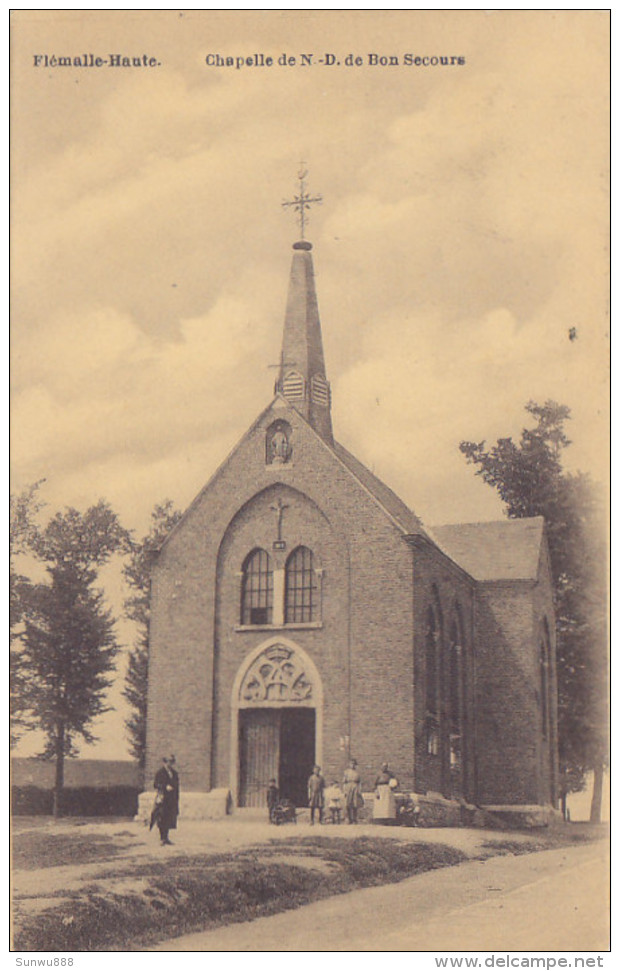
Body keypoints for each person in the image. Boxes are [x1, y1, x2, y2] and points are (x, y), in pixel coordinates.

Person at [153, 754, 180, 845]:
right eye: (169, 761)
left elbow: (177, 786)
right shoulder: (160, 772)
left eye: (172, 761)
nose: (170, 763)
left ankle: (166, 837)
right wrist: (165, 787)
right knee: (162, 817)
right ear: (164, 762)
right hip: (163, 799)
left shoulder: (174, 773)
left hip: (171, 799)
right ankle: (162, 838)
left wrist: (177, 797)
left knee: (169, 818)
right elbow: (156, 785)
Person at [342, 758, 363, 824]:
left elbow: (359, 782)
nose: (352, 765)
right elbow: (344, 782)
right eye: (351, 764)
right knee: (348, 804)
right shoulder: (346, 772)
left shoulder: (357, 773)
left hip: (355, 787)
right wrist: (344, 791)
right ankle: (348, 818)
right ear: (349, 764)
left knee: (355, 804)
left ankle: (354, 819)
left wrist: (359, 790)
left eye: (354, 764)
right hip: (348, 787)